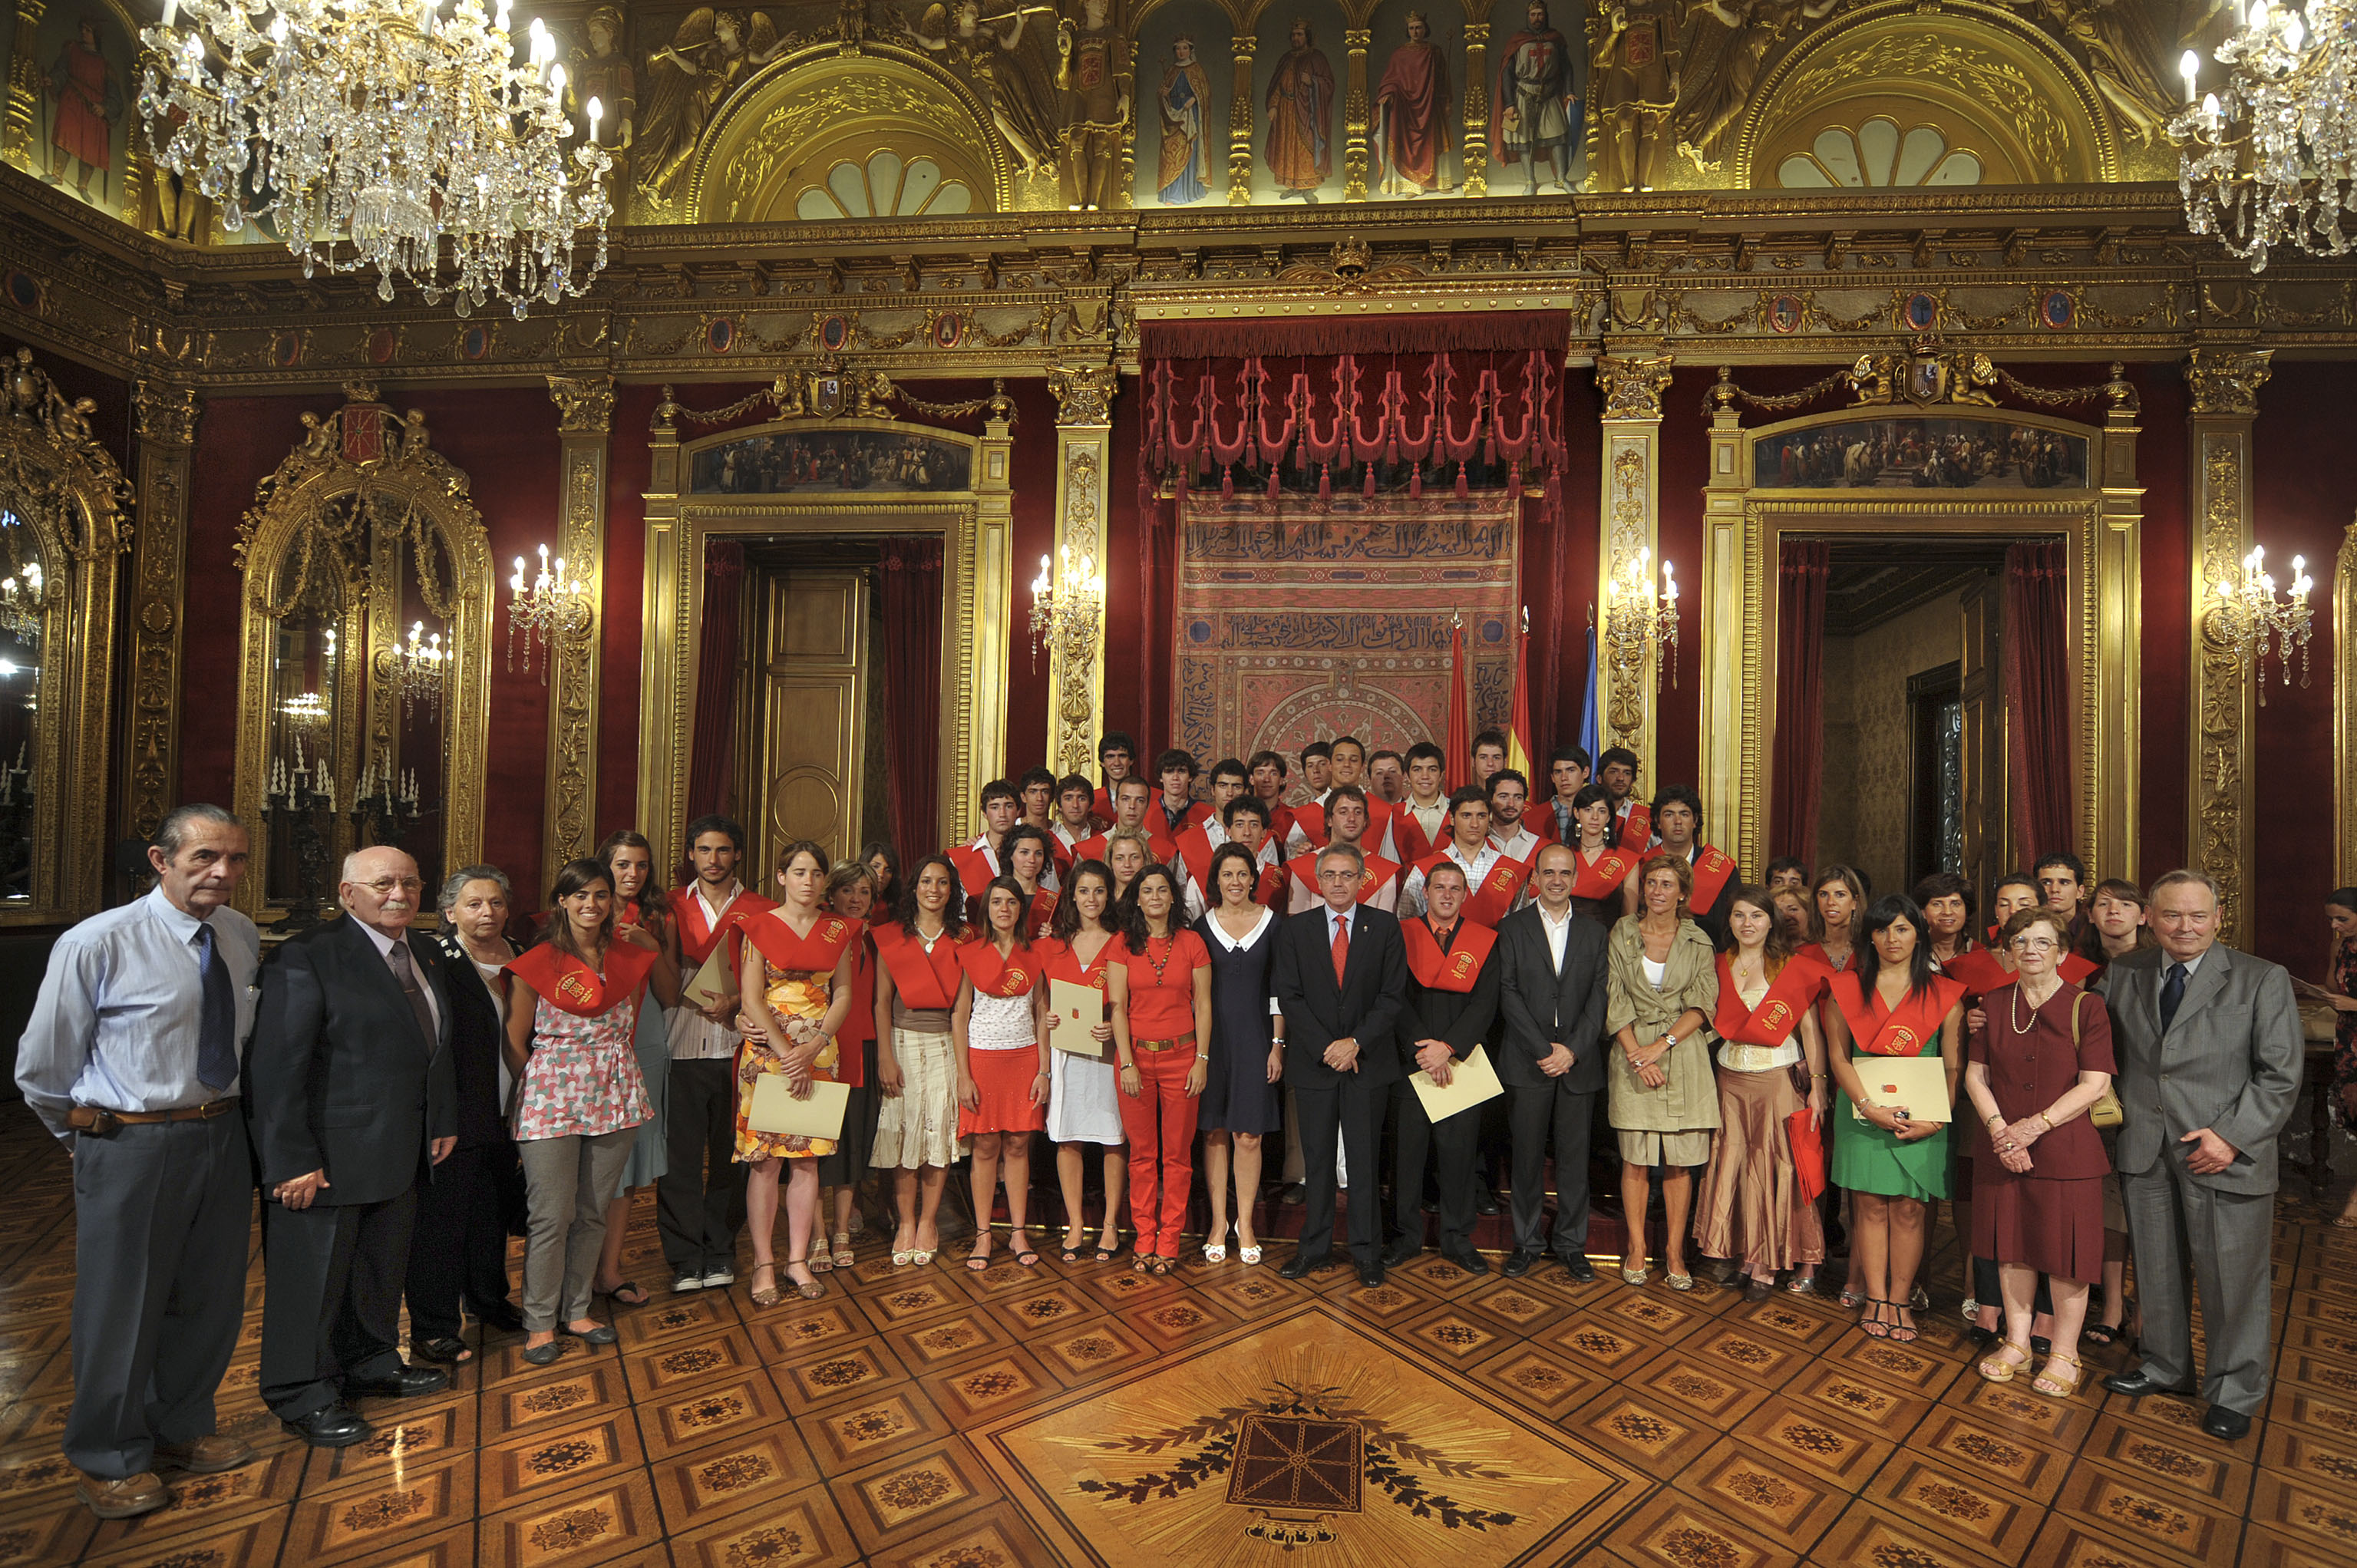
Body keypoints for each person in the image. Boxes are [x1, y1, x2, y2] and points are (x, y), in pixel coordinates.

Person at [16, 805, 261, 1516]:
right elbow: (41, 1068)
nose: (223, 872)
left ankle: (181, 1426)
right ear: (161, 860)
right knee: (122, 1307)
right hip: (130, 1141)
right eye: (206, 857)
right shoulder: (99, 941)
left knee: (208, 1297)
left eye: (237, 859)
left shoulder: (240, 935)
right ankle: (107, 1455)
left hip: (221, 1133)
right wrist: (93, 1143)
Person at [248, 846, 459, 1445]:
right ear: (347, 893)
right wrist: (289, 1158)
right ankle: (300, 1391)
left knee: (377, 1268)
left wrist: (440, 1118)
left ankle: (369, 1360)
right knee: (310, 1281)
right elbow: (276, 1066)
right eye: (384, 883)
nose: (399, 893)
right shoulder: (307, 956)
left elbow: (434, 1048)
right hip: (326, 1156)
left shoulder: (422, 951)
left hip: (401, 1147)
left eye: (410, 882)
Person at [2098, 870, 2303, 1441]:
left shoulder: (2260, 978)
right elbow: (2086, 1038)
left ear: (2217, 917)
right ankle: (2165, 1365)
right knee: (2157, 1268)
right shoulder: (2124, 972)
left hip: (2224, 1151)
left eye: (2196, 915)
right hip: (2144, 1147)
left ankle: (2234, 1389)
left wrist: (2231, 1136)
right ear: (2150, 919)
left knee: (2231, 1278)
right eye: (2170, 914)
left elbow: (2281, 1074)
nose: (2183, 926)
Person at [506, 857, 679, 1365]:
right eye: (580, 895)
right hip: (552, 1098)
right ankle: (539, 1320)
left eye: (600, 895)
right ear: (562, 901)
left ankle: (577, 1308)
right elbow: (516, 1041)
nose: (590, 904)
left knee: (592, 1210)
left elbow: (651, 1008)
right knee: (550, 1214)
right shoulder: (539, 960)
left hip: (616, 1093)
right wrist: (544, 1084)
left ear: (613, 902)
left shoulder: (628, 957)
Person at [1963, 906, 2116, 1399]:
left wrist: (2032, 1127)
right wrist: (1999, 1132)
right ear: (2007, 951)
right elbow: (1975, 1076)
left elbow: (2096, 1084)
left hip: (2066, 1149)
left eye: (2043, 942)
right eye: (2021, 942)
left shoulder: (2085, 1007)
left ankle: (2066, 1353)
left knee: (2066, 1255)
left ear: (2063, 952)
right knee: (2013, 1249)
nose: (2031, 950)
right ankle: (2017, 1343)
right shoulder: (1993, 1001)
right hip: (2003, 1146)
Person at [1823, 894, 1966, 1344]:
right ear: (1870, 937)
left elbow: (1953, 1067)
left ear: (1918, 935)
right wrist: (1869, 1109)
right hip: (1863, 1114)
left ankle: (1900, 1300)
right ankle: (1876, 1298)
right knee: (1868, 1208)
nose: (1892, 939)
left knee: (1909, 1211)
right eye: (1882, 930)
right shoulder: (1845, 989)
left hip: (1924, 1118)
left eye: (1902, 929)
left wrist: (1936, 1121)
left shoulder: (1944, 994)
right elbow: (1838, 1059)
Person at [1272, 843, 1409, 1286]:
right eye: (1329, 875)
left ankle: (1367, 1252)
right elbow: (1288, 996)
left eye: (1347, 875)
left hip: (1366, 1063)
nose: (1337, 883)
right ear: (1318, 880)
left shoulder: (1385, 926)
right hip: (1315, 1065)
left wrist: (1354, 1043)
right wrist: (1327, 1047)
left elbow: (1392, 997)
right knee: (1317, 1162)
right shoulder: (1295, 930)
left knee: (1365, 1162)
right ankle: (1314, 1248)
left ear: (1361, 879)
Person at [408, 867, 526, 1368]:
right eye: (474, 903)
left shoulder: (523, 954)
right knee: (443, 1222)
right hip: (458, 1110)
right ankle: (434, 1325)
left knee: (492, 1213)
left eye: (496, 902)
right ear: (450, 910)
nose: (487, 913)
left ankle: (487, 1298)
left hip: (513, 1110)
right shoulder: (433, 958)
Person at [734, 842, 860, 1306]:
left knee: (807, 1161)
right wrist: (788, 1052)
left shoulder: (837, 931)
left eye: (816, 874)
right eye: (799, 872)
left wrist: (814, 1046)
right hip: (769, 1053)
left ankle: (798, 1260)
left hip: (818, 1053)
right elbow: (750, 998)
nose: (808, 881)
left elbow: (843, 994)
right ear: (783, 876)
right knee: (766, 1162)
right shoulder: (759, 928)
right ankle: (764, 1263)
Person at [1693, 886, 1828, 1300]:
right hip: (1730, 1078)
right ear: (1729, 921)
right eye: (1739, 915)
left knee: (1775, 1165)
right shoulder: (1717, 964)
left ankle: (1767, 1264)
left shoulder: (1792, 966)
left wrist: (1819, 1087)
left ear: (1771, 921)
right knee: (1734, 1162)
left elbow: (1810, 1030)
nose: (1747, 924)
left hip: (1777, 1078)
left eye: (1756, 915)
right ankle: (1741, 1254)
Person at [659, 815, 771, 1295]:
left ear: (738, 855)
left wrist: (740, 1003)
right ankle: (685, 1257)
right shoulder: (666, 908)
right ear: (691, 855)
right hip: (680, 1045)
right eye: (704, 851)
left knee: (733, 1158)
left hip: (738, 1050)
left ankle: (722, 1248)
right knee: (680, 1160)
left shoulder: (762, 912)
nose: (713, 860)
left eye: (723, 850)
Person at [1606, 855, 1721, 1290]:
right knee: (1635, 1158)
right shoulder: (1622, 932)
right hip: (1631, 1052)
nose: (1656, 891)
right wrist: (1638, 1054)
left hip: (1682, 1056)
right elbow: (1614, 997)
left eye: (1667, 884)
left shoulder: (1698, 940)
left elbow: (1703, 1002)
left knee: (1680, 1162)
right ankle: (1637, 1247)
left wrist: (1661, 1046)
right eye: (1651, 882)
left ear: (1682, 893)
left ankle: (1674, 1251)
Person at [1496, 843, 1609, 1282]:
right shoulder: (1512, 929)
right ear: (1535, 879)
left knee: (1574, 1160)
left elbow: (1599, 998)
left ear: (1575, 879)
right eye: (1548, 873)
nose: (1557, 880)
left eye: (1565, 873)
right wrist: (1545, 1051)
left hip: (1578, 1063)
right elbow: (1508, 993)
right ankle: (1526, 1243)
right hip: (1528, 1061)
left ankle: (1570, 1244)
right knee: (1525, 1158)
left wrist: (1572, 1050)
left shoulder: (1596, 933)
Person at [1388, 861, 1499, 1272]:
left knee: (1459, 1154)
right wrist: (1425, 1050)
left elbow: (1486, 1003)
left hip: (1462, 1062)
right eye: (1439, 887)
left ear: (1464, 895)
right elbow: (1392, 996)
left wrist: (1448, 1047)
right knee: (1407, 1156)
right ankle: (1405, 1237)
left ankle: (1457, 1238)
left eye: (1455, 888)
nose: (1447, 895)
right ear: (1425, 892)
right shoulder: (1402, 936)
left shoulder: (1483, 941)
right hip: (1411, 1062)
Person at [1109, 864, 1213, 1271]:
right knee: (1141, 1154)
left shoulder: (1192, 943)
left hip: (1182, 1058)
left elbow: (1203, 1005)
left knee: (1177, 1156)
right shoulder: (1122, 945)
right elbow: (1118, 1007)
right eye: (1147, 890)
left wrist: (1201, 1059)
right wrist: (1127, 1063)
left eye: (1162, 890)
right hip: (1135, 1059)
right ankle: (1144, 1238)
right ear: (1137, 898)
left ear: (1174, 898)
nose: (1154, 896)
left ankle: (1169, 1240)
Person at [871, 854, 970, 1266]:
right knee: (903, 1135)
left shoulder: (967, 938)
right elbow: (880, 1001)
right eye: (926, 881)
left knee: (936, 1136)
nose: (934, 889)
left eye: (943, 882)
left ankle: (928, 1221)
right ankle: (906, 1222)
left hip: (945, 1043)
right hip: (901, 1043)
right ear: (913, 888)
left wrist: (964, 1071)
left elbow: (962, 1011)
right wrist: (885, 1056)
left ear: (953, 890)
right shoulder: (892, 936)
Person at [591, 831, 675, 1309]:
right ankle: (575, 1272)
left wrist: (649, 945)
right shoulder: (585, 908)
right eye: (623, 864)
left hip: (644, 1037)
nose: (632, 875)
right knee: (592, 1160)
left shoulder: (658, 917)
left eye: (641, 866)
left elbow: (669, 993)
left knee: (628, 1162)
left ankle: (609, 1269)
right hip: (593, 1041)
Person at [952, 876, 1053, 1269]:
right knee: (985, 1148)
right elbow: (960, 1016)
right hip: (982, 1060)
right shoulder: (970, 954)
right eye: (997, 902)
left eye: (1011, 902)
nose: (1004, 909)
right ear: (986, 910)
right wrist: (964, 1075)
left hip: (1024, 1059)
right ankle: (983, 1233)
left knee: (1017, 1146)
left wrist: (1043, 1070)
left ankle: (1017, 1232)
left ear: (1020, 909)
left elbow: (1042, 1014)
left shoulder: (1034, 955)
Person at [1198, 842, 1285, 1265]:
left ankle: (1245, 1222)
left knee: (1248, 1135)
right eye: (1227, 874)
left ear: (1254, 879)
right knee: (1215, 1131)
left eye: (1242, 874)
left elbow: (1279, 991)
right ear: (1216, 880)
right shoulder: (1201, 926)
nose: (1235, 882)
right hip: (1212, 1044)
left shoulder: (1273, 924)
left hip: (1256, 1041)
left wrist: (1277, 1045)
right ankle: (1218, 1221)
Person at [1044, 860, 1127, 1262]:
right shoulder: (1054, 944)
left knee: (1112, 1137)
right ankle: (1076, 1222)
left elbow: (1132, 1002)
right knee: (1068, 1135)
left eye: (1099, 891)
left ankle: (1110, 1223)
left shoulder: (1122, 942)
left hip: (1107, 1056)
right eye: (1083, 891)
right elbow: (1040, 1001)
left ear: (1108, 895)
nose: (1091, 899)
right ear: (1071, 896)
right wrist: (1047, 1017)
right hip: (1065, 1056)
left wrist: (1114, 1027)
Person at [818, 862, 883, 1267]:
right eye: (848, 891)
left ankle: (840, 1229)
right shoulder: (817, 934)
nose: (856, 899)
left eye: (864, 892)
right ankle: (813, 1234)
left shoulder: (877, 941)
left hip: (862, 1049)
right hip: (818, 1051)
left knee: (848, 1148)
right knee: (811, 1148)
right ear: (832, 894)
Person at [1401, 786, 1526, 926]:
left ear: (1489, 818)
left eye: (1481, 816)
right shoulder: (1424, 870)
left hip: (1499, 946)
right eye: (1466, 816)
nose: (1474, 824)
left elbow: (1522, 928)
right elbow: (1407, 923)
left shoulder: (1512, 871)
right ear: (1452, 819)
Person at [1635, 786, 1738, 945]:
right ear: (1657, 822)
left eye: (1684, 814)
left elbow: (1733, 921)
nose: (1677, 822)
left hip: (1711, 953)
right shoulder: (1641, 866)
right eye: (1669, 814)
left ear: (1695, 821)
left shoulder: (1723, 868)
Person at [1284, 784, 1398, 913]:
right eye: (1343, 812)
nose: (1351, 819)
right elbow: (1296, 923)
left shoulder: (1385, 871)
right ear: (1329, 820)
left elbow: (1385, 926)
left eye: (1358, 812)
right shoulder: (1304, 866)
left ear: (1366, 820)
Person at [2324, 887, 2357, 1227]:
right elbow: (2333, 985)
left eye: (2342, 918)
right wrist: (2325, 994)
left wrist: (2355, 1005)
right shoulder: (2340, 945)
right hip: (2348, 1040)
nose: (2335, 925)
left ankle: (2355, 1199)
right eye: (2331, 919)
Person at [1563, 784, 1636, 923]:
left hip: (1610, 939)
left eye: (1602, 811)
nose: (1595, 817)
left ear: (1609, 817)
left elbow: (1629, 919)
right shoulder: (1563, 857)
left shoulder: (1627, 860)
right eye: (1588, 810)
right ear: (1577, 813)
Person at [951, 778, 1022, 900]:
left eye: (1009, 806)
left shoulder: (1033, 853)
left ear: (1018, 811)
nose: (1002, 814)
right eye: (994, 807)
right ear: (984, 813)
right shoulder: (964, 857)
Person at [1394, 741, 1451, 865]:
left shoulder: (1457, 811)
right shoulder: (1394, 814)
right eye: (1417, 770)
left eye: (1432, 769)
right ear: (1407, 776)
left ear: (1441, 775)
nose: (1425, 776)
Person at [1002, 824, 1061, 936]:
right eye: (1024, 852)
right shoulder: (995, 896)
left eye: (1038, 854)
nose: (1032, 860)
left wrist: (1054, 936)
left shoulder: (1053, 902)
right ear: (1010, 855)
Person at [1151, 748, 1211, 840]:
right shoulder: (1147, 813)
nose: (1175, 777)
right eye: (1169, 771)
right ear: (1161, 777)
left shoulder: (1207, 816)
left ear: (1190, 777)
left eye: (1181, 771)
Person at [1485, 768, 1542, 867]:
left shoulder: (1539, 846)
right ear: (1490, 799)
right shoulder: (1478, 843)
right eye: (1503, 797)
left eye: (1518, 797)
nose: (1511, 804)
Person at [1539, 744, 1592, 844]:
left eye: (1571, 770)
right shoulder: (1533, 817)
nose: (1564, 778)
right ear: (1552, 777)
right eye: (1558, 772)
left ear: (1585, 772)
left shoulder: (1600, 814)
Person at [1597, 746, 1647, 848]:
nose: (1621, 778)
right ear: (1599, 778)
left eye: (1627, 773)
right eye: (1614, 772)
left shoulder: (1644, 817)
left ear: (1633, 781)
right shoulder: (1586, 813)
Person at [1090, 730, 1138, 824]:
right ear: (1102, 762)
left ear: (1131, 760)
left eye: (1122, 756)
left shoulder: (1152, 798)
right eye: (1110, 757)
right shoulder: (1092, 800)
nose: (1116, 763)